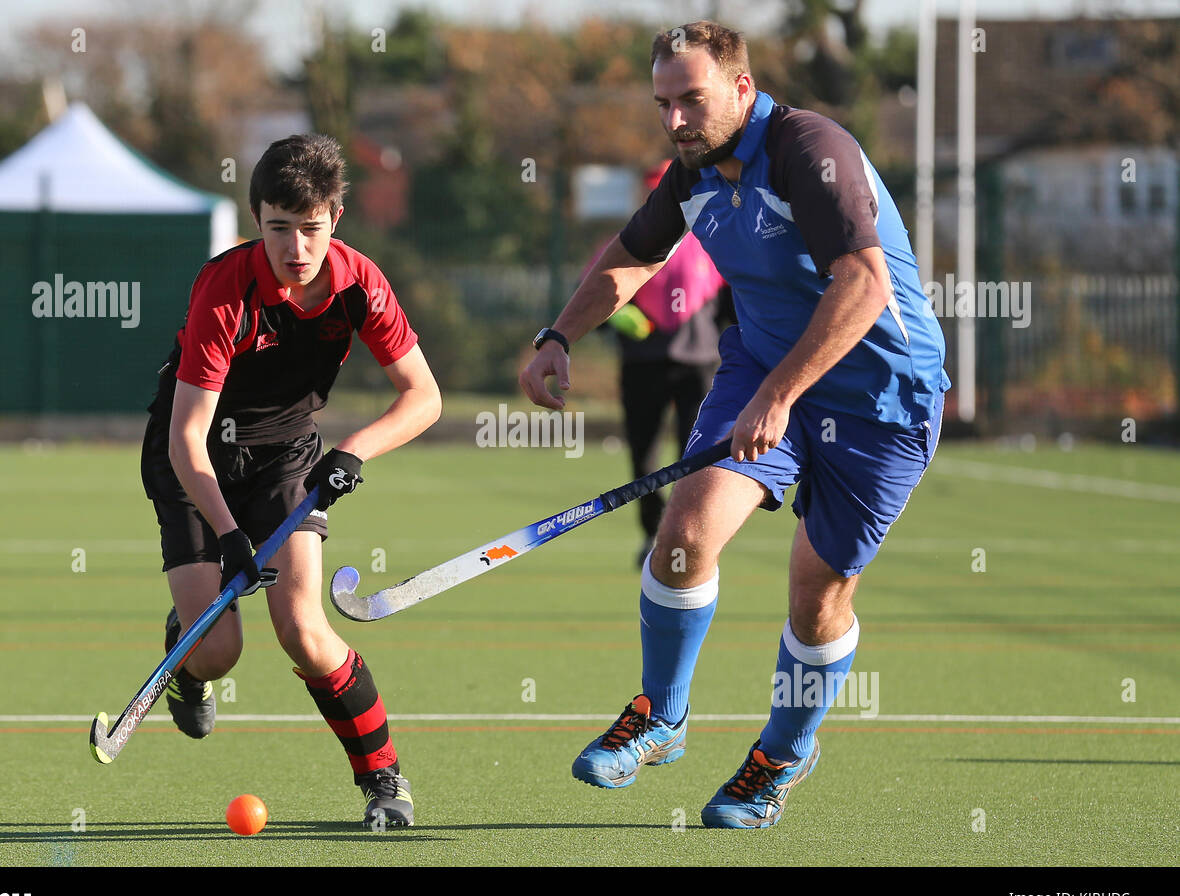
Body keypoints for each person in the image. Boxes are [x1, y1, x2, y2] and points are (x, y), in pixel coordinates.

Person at [520, 20, 948, 829]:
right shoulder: (693, 171)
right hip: (766, 367)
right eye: (663, 104)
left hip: (880, 398)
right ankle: (661, 715)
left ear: (743, 88)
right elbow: (633, 253)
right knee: (682, 534)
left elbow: (863, 287)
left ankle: (779, 757)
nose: (676, 120)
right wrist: (559, 335)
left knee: (815, 594)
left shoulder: (809, 151)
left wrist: (782, 397)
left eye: (693, 99)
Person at [140, 134, 441, 828]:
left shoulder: (361, 282)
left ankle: (384, 780)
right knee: (218, 650)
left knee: (303, 629)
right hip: (193, 457)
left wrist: (354, 451)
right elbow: (188, 436)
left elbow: (423, 397)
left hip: (285, 457)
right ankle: (188, 656)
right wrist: (229, 535)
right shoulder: (226, 288)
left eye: (311, 228)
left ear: (336, 217)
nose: (296, 248)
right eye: (279, 228)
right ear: (257, 220)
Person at [599, 160, 732, 568]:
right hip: (642, 363)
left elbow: (734, 308)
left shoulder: (717, 243)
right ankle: (652, 535)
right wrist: (620, 320)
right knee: (643, 456)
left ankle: (688, 536)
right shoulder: (629, 244)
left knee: (697, 457)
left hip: (699, 363)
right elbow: (597, 301)